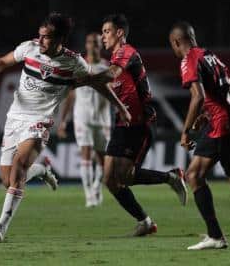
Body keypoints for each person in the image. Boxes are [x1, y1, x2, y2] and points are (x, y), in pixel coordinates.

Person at [0, 12, 131, 243]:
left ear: (60, 39)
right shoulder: (29, 48)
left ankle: (1, 227)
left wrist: (120, 106)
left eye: (46, 37)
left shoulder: (74, 62)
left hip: (40, 120)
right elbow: (4, 61)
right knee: (8, 180)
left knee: (19, 166)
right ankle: (41, 170)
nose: (41, 41)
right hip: (15, 118)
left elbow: (98, 84)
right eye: (40, 36)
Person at [77, 14, 188, 236]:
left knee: (126, 176)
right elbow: (108, 85)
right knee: (109, 179)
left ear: (120, 33)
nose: (103, 36)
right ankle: (145, 222)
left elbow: (110, 75)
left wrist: (81, 80)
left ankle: (171, 177)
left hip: (141, 123)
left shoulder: (127, 53)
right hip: (122, 123)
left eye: (106, 31)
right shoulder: (114, 58)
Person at [169, 21, 230, 250]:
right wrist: (206, 114)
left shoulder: (189, 60)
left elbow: (197, 96)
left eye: (173, 46)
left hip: (222, 124)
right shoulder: (210, 56)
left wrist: (185, 131)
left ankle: (215, 236)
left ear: (176, 42)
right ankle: (215, 236)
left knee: (194, 175)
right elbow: (220, 91)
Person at [57, 32, 111, 207]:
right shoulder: (79, 66)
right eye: (90, 43)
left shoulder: (107, 67)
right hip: (82, 118)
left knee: (102, 160)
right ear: (86, 45)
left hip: (103, 120)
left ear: (100, 46)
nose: (93, 46)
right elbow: (70, 96)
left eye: (96, 43)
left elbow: (113, 95)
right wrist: (63, 120)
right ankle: (89, 195)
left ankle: (97, 187)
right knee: (86, 156)